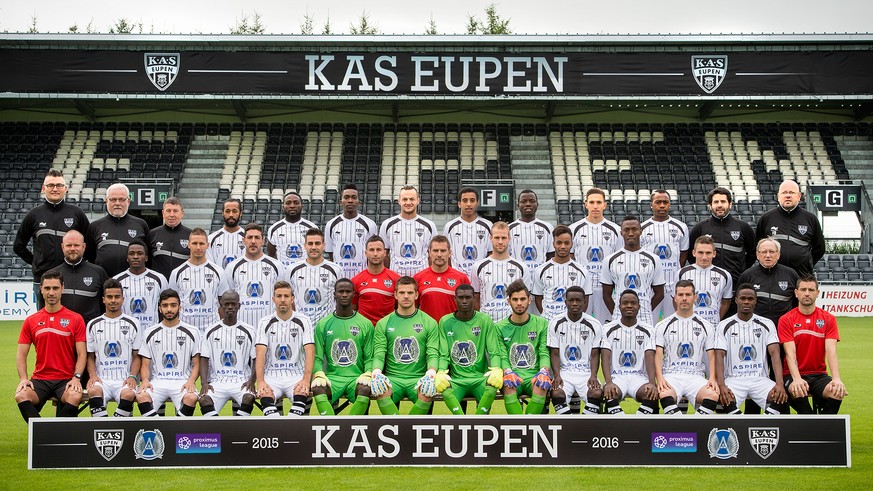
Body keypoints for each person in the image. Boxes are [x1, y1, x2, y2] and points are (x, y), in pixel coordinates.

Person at [14, 270, 87, 422]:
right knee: (21, 395)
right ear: (41, 289)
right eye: (47, 288)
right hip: (40, 379)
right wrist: (23, 379)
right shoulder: (31, 321)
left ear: (62, 289)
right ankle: (42, 434)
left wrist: (76, 378)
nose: (51, 292)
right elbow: (21, 354)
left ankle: (54, 436)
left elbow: (82, 354)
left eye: (55, 288)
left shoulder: (75, 319)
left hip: (66, 379)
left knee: (75, 396)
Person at [14, 169, 90, 309]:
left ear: (65, 189)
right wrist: (36, 262)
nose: (55, 189)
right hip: (42, 279)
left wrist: (80, 265)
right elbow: (18, 246)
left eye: (59, 185)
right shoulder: (34, 214)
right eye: (50, 185)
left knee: (73, 319)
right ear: (44, 188)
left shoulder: (77, 213)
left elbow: (89, 244)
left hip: (71, 278)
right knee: (44, 324)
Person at [368, 276, 440, 415]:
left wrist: (431, 372)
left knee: (426, 392)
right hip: (393, 378)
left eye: (410, 293)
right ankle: (401, 429)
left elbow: (432, 353)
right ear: (395, 295)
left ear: (416, 295)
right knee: (381, 390)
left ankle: (405, 431)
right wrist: (376, 371)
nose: (406, 296)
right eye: (401, 293)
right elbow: (379, 353)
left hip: (418, 377)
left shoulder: (429, 322)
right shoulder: (384, 323)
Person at [714, 284, 788, 414]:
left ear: (755, 301)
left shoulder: (767, 324)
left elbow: (775, 354)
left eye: (750, 298)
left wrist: (779, 384)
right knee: (724, 401)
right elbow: (719, 356)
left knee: (781, 399)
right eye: (743, 298)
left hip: (760, 379)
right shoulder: (724, 325)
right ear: (736, 300)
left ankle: (760, 425)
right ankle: (745, 427)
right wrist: (722, 385)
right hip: (734, 379)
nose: (746, 301)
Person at [778, 276, 847, 414]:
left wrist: (836, 378)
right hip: (792, 375)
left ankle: (824, 429)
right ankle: (811, 424)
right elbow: (790, 354)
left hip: (819, 375)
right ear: (796, 293)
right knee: (798, 390)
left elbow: (831, 351)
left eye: (811, 289)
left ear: (817, 293)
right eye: (803, 289)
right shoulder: (786, 319)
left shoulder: (828, 319)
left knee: (837, 392)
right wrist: (797, 379)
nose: (807, 293)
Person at [435, 283, 504, 415]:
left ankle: (477, 423)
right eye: (461, 298)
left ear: (474, 298)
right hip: (457, 380)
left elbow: (494, 351)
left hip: (480, 378)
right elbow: (443, 354)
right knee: (445, 389)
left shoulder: (484, 320)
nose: (464, 301)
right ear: (455, 299)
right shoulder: (445, 321)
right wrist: (441, 371)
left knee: (492, 386)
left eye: (468, 297)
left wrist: (496, 369)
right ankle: (463, 422)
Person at [654, 280, 720, 414]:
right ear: (675, 297)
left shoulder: (706, 326)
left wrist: (712, 378)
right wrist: (660, 378)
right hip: (671, 375)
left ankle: (691, 426)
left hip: (696, 376)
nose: (684, 298)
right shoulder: (663, 325)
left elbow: (711, 356)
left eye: (688, 295)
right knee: (665, 394)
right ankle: (684, 428)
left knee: (712, 395)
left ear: (695, 297)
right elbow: (657, 355)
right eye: (681, 294)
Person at [311, 279, 374, 416]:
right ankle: (330, 425)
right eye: (341, 292)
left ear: (353, 294)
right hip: (333, 378)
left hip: (356, 378)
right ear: (334, 295)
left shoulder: (366, 324)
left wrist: (368, 373)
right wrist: (319, 373)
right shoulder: (323, 324)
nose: (344, 295)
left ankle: (350, 426)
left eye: (348, 292)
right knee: (317, 388)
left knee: (365, 389)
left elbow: (370, 357)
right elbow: (317, 357)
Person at [135, 288, 200, 417]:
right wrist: (145, 380)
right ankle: (160, 429)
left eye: (173, 305)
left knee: (191, 398)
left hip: (181, 382)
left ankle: (174, 430)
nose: (169, 309)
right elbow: (145, 364)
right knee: (141, 396)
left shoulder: (193, 331)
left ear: (179, 307)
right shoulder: (150, 332)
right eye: (165, 306)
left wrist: (191, 381)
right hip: (157, 382)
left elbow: (196, 363)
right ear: (160, 308)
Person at [254, 281, 315, 417]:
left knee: (295, 414)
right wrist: (261, 381)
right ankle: (280, 434)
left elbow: (310, 351)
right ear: (273, 299)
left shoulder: (304, 320)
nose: (283, 300)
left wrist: (306, 379)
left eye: (286, 296)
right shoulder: (264, 322)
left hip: (296, 376)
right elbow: (260, 353)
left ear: (292, 299)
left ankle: (291, 434)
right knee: (271, 414)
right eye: (279, 296)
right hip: (272, 377)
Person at [85, 278, 142, 417]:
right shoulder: (93, 324)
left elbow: (137, 356)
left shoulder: (133, 323)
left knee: (128, 394)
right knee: (93, 391)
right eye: (109, 297)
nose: (113, 300)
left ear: (123, 298)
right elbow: (90, 356)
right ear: (103, 299)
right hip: (102, 379)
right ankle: (105, 429)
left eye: (117, 297)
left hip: (124, 379)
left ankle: (115, 427)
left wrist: (133, 376)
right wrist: (92, 375)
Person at [688, 187, 756, 300]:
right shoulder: (699, 228)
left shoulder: (743, 227)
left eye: (723, 201)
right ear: (710, 205)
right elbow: (691, 256)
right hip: (706, 285)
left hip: (735, 285)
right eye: (716, 202)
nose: (719, 205)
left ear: (730, 204)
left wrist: (740, 268)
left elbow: (752, 253)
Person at [198, 290, 258, 417]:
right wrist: (204, 382)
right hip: (217, 382)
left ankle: (233, 430)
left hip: (241, 381)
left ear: (239, 306)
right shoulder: (210, 331)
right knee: (204, 400)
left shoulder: (250, 331)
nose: (230, 307)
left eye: (233, 304)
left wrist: (252, 380)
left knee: (248, 398)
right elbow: (204, 358)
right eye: (226, 304)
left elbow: (256, 358)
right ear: (221, 305)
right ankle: (224, 431)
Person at [496, 279, 551, 415]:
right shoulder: (499, 327)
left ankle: (527, 426)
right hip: (513, 375)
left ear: (529, 300)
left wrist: (544, 371)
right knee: (508, 385)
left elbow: (544, 352)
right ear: (509, 301)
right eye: (515, 299)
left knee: (541, 385)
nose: (519, 303)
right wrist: (507, 371)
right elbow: (502, 355)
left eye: (522, 299)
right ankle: (518, 428)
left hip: (534, 375)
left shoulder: (542, 324)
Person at [599, 289, 659, 414]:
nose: (629, 306)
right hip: (617, 376)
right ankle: (623, 429)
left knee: (651, 394)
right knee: (610, 393)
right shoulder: (607, 329)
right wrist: (609, 382)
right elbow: (605, 357)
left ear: (639, 306)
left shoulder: (648, 329)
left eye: (633, 303)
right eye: (625, 303)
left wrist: (652, 383)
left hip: (639, 377)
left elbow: (650, 357)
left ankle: (635, 427)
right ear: (619, 306)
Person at [601, 216, 665, 328]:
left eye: (634, 229)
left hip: (645, 317)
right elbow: (606, 294)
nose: (631, 233)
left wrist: (646, 307)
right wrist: (618, 311)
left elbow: (659, 293)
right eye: (626, 230)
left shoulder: (654, 259)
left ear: (641, 231)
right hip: (618, 317)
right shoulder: (610, 260)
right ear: (621, 233)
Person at [548, 286, 603, 415]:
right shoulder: (555, 322)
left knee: (596, 392)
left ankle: (579, 425)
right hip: (564, 373)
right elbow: (554, 353)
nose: (574, 303)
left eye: (578, 300)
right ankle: (573, 426)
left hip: (585, 373)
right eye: (571, 300)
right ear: (565, 301)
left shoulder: (594, 324)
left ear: (585, 301)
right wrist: (556, 375)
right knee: (556, 393)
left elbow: (595, 354)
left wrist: (593, 376)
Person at [570, 187, 622, 322]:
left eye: (599, 202)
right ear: (585, 204)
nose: (595, 206)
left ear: (605, 205)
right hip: (582, 287)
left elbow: (619, 259)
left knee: (606, 325)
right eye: (592, 202)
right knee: (581, 324)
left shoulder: (615, 230)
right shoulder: (574, 229)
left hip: (606, 288)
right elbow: (570, 257)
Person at [755, 180, 825, 278]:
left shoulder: (810, 219)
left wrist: (805, 262)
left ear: (799, 196)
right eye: (784, 193)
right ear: (778, 196)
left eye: (791, 192)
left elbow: (819, 248)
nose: (787, 196)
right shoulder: (766, 218)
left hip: (801, 277)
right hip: (772, 277)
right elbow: (757, 246)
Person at [168, 228, 231, 332]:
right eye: (194, 243)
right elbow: (172, 303)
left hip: (211, 331)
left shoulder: (218, 272)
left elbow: (222, 304)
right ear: (188, 244)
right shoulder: (177, 273)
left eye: (201, 244)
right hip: (185, 330)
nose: (198, 247)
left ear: (207, 245)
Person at [226, 223, 287, 328]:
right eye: (250, 237)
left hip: (270, 326)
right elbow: (230, 297)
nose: (253, 241)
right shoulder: (232, 267)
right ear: (244, 240)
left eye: (257, 238)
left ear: (263, 241)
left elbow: (282, 296)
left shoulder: (276, 265)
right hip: (242, 327)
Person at [641, 190, 689, 320]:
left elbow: (683, 254)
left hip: (672, 286)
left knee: (672, 322)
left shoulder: (681, 227)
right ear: (651, 205)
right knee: (649, 322)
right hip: (650, 287)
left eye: (665, 202)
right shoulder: (643, 228)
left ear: (669, 205)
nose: (662, 205)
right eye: (658, 202)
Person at [86, 183, 150, 278]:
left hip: (134, 282)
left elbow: (147, 256)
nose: (117, 203)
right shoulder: (95, 226)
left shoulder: (141, 225)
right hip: (104, 282)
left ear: (128, 201)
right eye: (113, 199)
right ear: (106, 201)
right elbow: (90, 257)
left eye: (121, 199)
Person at [471, 221, 528, 322]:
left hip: (512, 325)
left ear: (509, 239)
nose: (500, 242)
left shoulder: (521, 267)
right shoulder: (478, 267)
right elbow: (476, 297)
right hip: (488, 324)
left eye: (504, 238)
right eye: (497, 238)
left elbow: (525, 298)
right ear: (490, 238)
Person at [533, 225, 592, 321]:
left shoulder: (582, 271)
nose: (563, 246)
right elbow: (538, 298)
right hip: (548, 321)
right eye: (559, 243)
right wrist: (547, 317)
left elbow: (585, 300)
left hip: (572, 322)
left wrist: (575, 319)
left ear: (572, 244)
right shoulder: (540, 270)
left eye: (566, 243)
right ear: (553, 244)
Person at [49, 230, 109, 323]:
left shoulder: (99, 272)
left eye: (76, 245)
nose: (72, 249)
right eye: (69, 245)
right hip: (61, 331)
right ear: (62, 247)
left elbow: (106, 304)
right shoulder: (52, 275)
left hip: (90, 331)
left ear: (84, 247)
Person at [287, 228, 344, 324]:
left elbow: (340, 299)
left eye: (317, 243)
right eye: (310, 244)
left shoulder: (336, 270)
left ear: (324, 245)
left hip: (327, 326)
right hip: (301, 327)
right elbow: (289, 298)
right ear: (305, 246)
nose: (313, 247)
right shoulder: (292, 270)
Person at [378, 185, 438, 277]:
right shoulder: (387, 225)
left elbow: (433, 255)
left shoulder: (429, 225)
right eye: (405, 199)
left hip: (422, 278)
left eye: (412, 199)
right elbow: (384, 255)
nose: (408, 202)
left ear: (418, 200)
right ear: (399, 201)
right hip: (396, 279)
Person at [737, 238, 799, 325]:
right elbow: (739, 304)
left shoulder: (791, 274)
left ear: (778, 254)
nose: (768, 255)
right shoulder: (747, 276)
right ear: (757, 255)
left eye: (772, 252)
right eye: (764, 252)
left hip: (784, 327)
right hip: (754, 327)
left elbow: (797, 302)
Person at [323, 184, 378, 279]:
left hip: (362, 278)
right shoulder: (331, 225)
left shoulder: (370, 224)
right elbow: (331, 253)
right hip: (339, 279)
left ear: (358, 202)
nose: (350, 201)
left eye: (354, 197)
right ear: (341, 202)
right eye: (346, 197)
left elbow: (372, 253)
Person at [677, 236, 733, 327]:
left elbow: (726, 302)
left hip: (713, 325)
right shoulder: (682, 273)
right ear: (694, 253)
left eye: (708, 253)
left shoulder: (724, 275)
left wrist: (717, 318)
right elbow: (676, 299)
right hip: (688, 324)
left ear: (714, 254)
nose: (704, 257)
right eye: (700, 253)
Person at [413, 235, 471, 322]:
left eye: (443, 251)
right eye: (435, 251)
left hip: (453, 330)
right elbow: (414, 309)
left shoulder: (461, 278)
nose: (439, 255)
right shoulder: (418, 278)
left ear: (450, 253)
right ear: (429, 252)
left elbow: (468, 309)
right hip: (428, 331)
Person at [113, 239, 168, 329]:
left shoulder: (159, 279)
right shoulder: (117, 280)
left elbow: (166, 306)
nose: (135, 256)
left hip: (152, 333)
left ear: (146, 257)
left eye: (139, 253)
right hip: (126, 332)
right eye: (131, 253)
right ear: (127, 258)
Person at [443, 187, 493, 278]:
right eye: (465, 200)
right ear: (459, 204)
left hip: (481, 277)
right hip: (457, 278)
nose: (468, 204)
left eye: (472, 200)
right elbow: (446, 254)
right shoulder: (450, 227)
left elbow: (491, 253)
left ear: (477, 203)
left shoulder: (488, 226)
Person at [351, 236, 401, 326]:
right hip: (364, 330)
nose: (375, 254)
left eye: (378, 250)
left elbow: (399, 307)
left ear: (385, 253)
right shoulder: (356, 280)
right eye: (371, 250)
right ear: (366, 253)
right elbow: (353, 309)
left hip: (388, 329)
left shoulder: (396, 279)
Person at [509, 189, 554, 275]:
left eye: (532, 201)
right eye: (524, 201)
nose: (528, 204)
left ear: (537, 204)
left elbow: (551, 255)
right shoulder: (509, 229)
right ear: (518, 205)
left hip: (540, 278)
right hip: (517, 278)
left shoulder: (548, 228)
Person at [267, 191, 317, 268]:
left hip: (306, 273)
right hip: (283, 275)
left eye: (296, 203)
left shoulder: (312, 228)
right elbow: (271, 254)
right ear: (283, 206)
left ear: (302, 206)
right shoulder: (274, 229)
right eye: (288, 203)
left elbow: (317, 252)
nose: (292, 206)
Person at [147, 197, 192, 279]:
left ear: (182, 213)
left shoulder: (191, 235)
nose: (172, 215)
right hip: (158, 284)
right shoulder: (152, 234)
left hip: (183, 283)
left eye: (175, 211)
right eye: (168, 211)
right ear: (163, 213)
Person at [207, 198, 245, 268]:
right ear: (222, 213)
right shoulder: (211, 239)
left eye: (234, 211)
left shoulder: (248, 238)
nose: (231, 214)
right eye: (227, 211)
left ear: (241, 213)